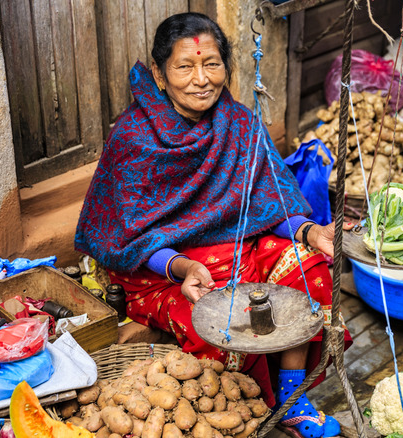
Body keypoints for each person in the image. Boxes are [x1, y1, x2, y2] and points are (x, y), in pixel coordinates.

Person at [76, 13, 350, 438]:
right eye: (185, 66)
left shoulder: (238, 123)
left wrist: (310, 232)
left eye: (212, 64)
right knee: (217, 319)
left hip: (240, 247)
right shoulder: (133, 137)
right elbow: (128, 236)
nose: (201, 79)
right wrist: (183, 267)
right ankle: (258, 404)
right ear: (159, 75)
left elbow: (269, 201)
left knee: (311, 270)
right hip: (161, 274)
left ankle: (293, 399)